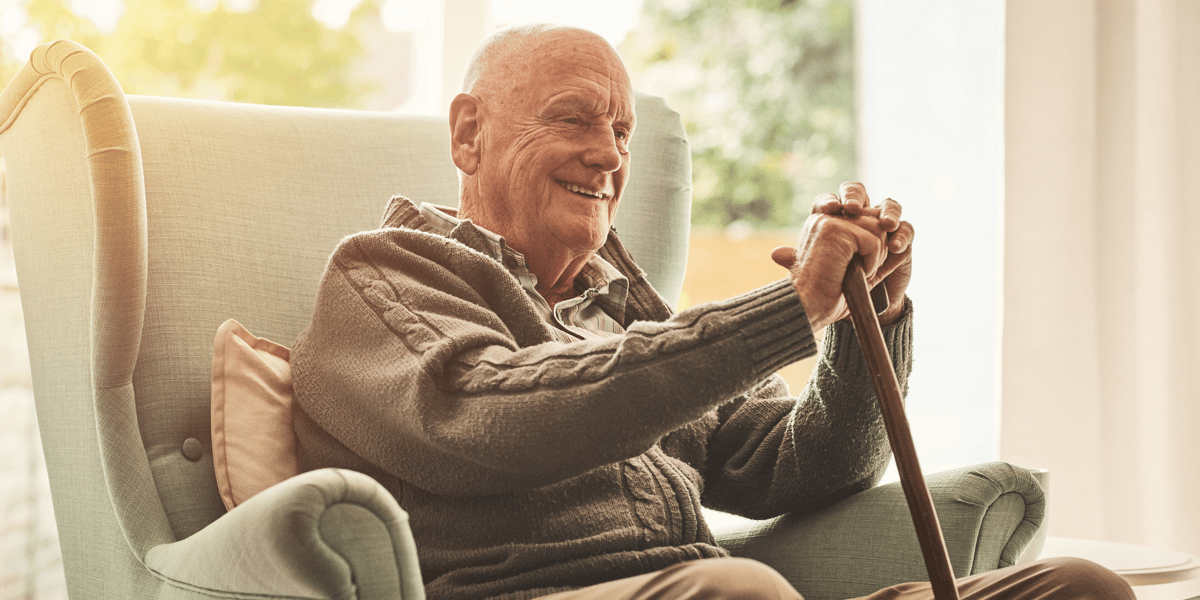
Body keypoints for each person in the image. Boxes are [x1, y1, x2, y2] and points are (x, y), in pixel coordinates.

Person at [291, 23, 1134, 600]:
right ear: (469, 134)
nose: (609, 156)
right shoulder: (388, 273)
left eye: (623, 132)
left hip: (720, 592)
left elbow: (800, 465)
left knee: (1080, 588)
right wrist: (788, 305)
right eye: (575, 119)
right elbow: (495, 416)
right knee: (737, 589)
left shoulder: (624, 311)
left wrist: (859, 320)